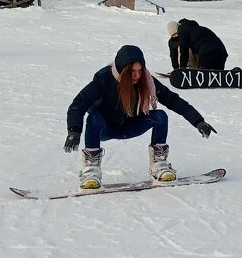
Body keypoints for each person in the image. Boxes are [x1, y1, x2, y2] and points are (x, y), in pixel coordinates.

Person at [65, 44, 217, 189]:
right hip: (105, 128)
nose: (137, 75)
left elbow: (172, 100)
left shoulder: (147, 80)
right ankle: (90, 172)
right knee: (94, 116)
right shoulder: (104, 80)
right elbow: (79, 104)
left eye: (140, 70)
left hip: (131, 125)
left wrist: (198, 121)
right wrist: (74, 130)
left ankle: (159, 166)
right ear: (122, 70)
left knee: (160, 116)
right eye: (132, 71)